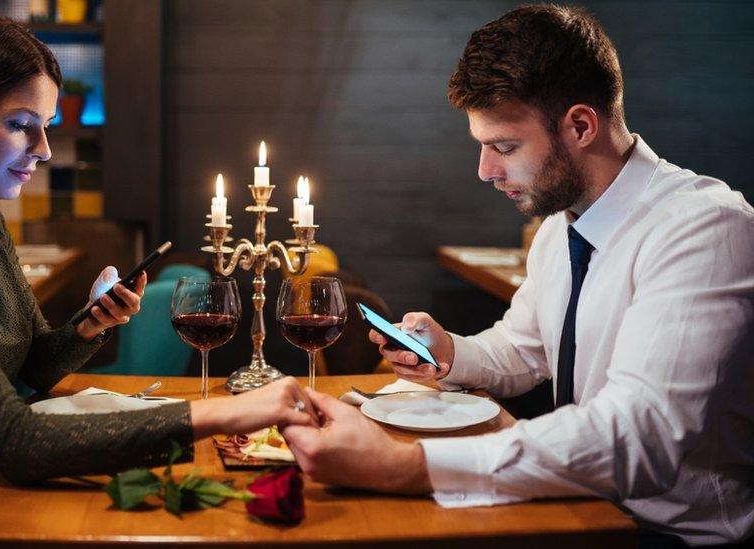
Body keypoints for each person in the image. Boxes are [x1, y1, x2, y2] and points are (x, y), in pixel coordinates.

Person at [0, 15, 317, 548]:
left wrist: (88, 327)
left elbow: (30, 365)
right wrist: (227, 411)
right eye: (21, 124)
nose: (43, 148)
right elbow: (16, 441)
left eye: (45, 125)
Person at [281, 4, 753, 547]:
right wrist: (450, 352)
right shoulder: (562, 224)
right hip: (577, 504)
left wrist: (403, 466)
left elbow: (638, 437)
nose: (485, 171)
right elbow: (524, 348)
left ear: (580, 125)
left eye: (504, 147)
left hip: (671, 533)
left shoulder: (706, 229)